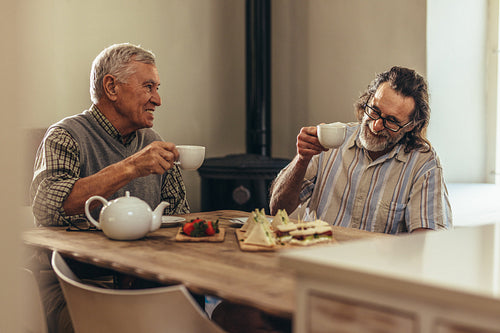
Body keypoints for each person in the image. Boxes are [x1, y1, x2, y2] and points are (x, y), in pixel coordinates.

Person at [28, 43, 190, 332]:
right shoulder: (65, 136)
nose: (158, 99)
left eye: (157, 87)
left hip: (144, 286)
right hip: (77, 289)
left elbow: (180, 218)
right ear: (112, 87)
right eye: (149, 87)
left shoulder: (153, 141)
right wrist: (131, 167)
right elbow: (47, 208)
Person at [270, 66, 452, 233]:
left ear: (411, 126)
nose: (376, 125)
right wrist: (302, 159)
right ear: (368, 100)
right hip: (320, 258)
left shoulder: (423, 163)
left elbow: (428, 243)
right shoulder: (331, 140)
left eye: (392, 121)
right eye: (374, 110)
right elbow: (278, 209)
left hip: (376, 267)